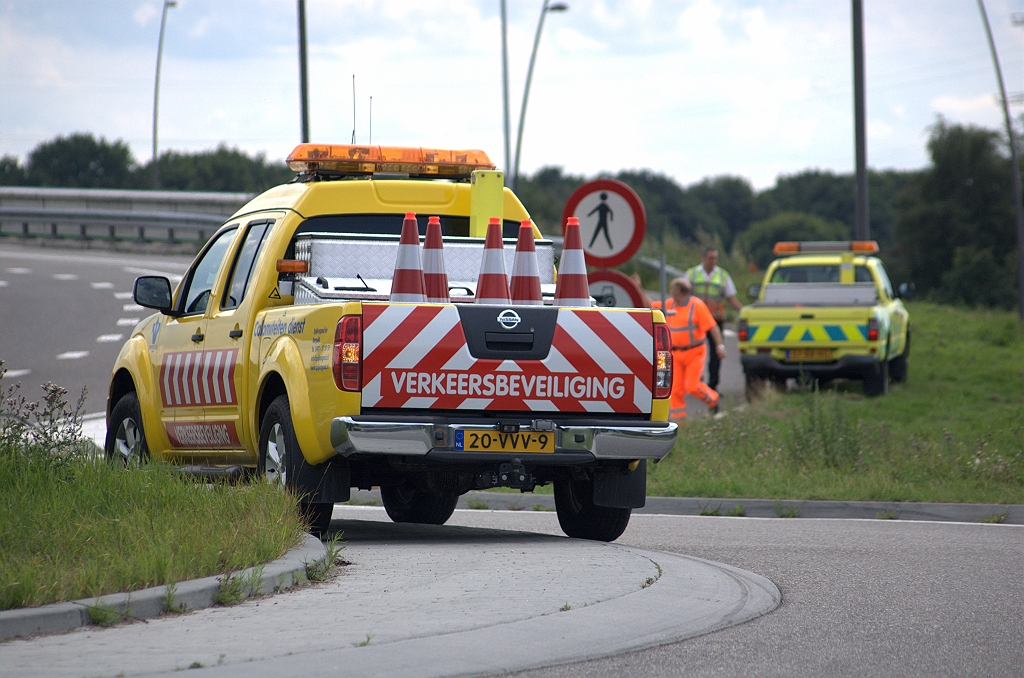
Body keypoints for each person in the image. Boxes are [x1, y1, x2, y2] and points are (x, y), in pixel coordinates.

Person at [631, 274, 726, 421]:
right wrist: (639, 288)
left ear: (679, 290)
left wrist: (719, 346)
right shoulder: (670, 304)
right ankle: (680, 422)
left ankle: (713, 400)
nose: (670, 291)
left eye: (672, 289)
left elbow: (713, 328)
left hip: (694, 352)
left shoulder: (697, 305)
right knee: (674, 390)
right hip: (674, 354)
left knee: (692, 386)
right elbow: (650, 305)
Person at [685, 248, 742, 391]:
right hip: (695, 321)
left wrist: (743, 311)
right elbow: (683, 295)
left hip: (715, 320)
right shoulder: (692, 274)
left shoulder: (722, 275)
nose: (713, 262)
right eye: (711, 258)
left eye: (715, 258)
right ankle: (696, 381)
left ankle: (713, 385)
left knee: (716, 353)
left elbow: (730, 298)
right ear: (703, 257)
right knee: (695, 352)